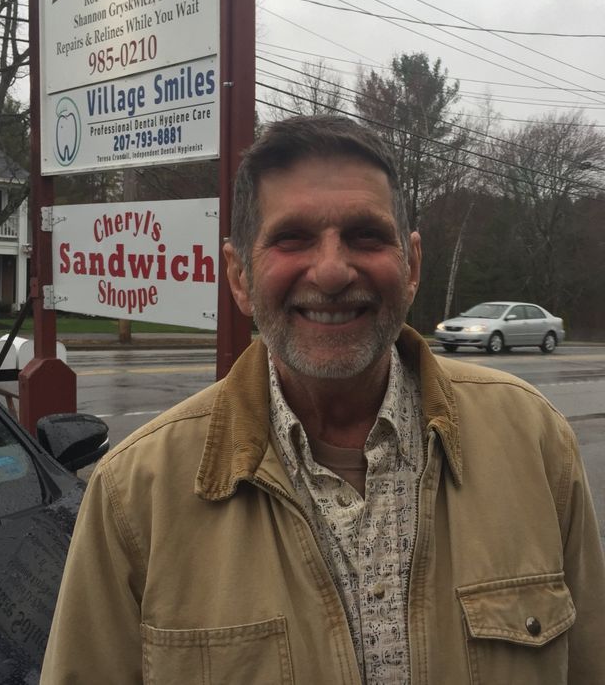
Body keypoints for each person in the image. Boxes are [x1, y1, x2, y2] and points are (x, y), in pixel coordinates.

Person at [41, 114, 605, 685]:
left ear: (411, 266)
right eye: (292, 238)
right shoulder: (134, 494)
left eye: (365, 235)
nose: (333, 270)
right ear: (239, 276)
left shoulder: (534, 440)